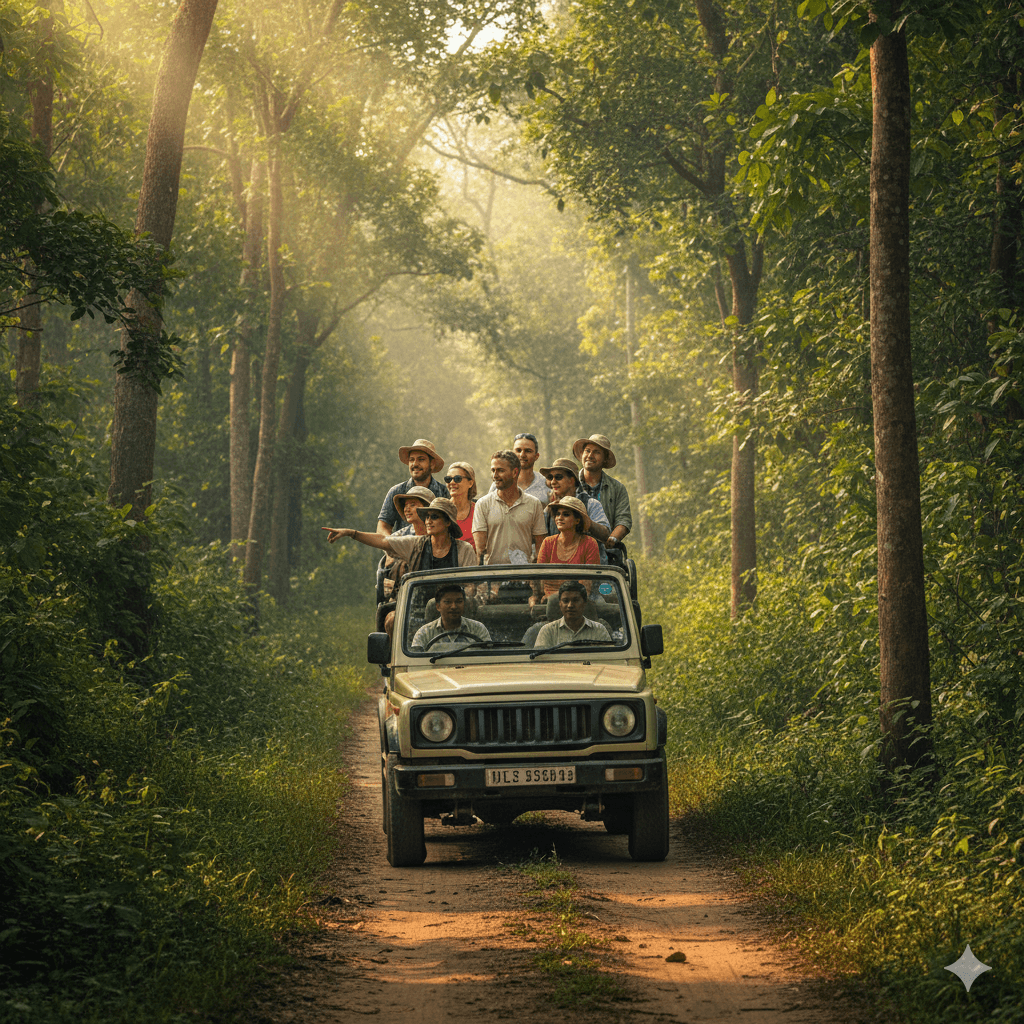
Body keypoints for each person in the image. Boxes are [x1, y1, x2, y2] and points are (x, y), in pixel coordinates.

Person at [326, 496, 476, 571]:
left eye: (435, 517)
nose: (429, 521)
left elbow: (471, 587)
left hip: (454, 609)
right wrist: (351, 533)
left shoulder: (464, 549)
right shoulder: (415, 544)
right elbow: (383, 541)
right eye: (427, 516)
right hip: (418, 611)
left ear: (448, 522)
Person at [472, 450, 546, 566]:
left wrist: (535, 580)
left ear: (515, 472)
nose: (495, 476)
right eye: (493, 470)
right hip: (493, 577)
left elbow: (540, 548)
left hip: (523, 577)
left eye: (500, 470)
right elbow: (480, 551)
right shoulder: (482, 504)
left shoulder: (534, 503)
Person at [533, 496, 601, 617]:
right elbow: (540, 579)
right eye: (557, 514)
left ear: (577, 520)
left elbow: (587, 584)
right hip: (549, 601)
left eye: (566, 514)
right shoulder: (548, 543)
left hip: (579, 603)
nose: (559, 518)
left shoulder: (590, 543)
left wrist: (566, 599)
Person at [538, 458, 610, 560]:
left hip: (591, 569)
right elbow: (541, 540)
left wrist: (587, 523)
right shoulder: (549, 510)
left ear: (571, 480)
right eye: (550, 477)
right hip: (557, 570)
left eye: (558, 477)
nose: (553, 482)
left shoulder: (590, 504)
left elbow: (606, 535)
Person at [571, 434, 632, 551]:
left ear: (605, 458)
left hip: (605, 549)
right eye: (587, 451)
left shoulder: (617, 488)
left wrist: (612, 539)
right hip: (572, 548)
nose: (590, 455)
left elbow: (624, 520)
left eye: (596, 452)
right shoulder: (570, 482)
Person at [376, 438, 448, 537]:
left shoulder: (444, 493)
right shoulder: (396, 491)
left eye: (421, 459)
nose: (415, 464)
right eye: (411, 460)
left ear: (432, 464)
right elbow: (383, 527)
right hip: (403, 549)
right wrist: (393, 546)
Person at [533, 580, 612, 648]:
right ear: (560, 604)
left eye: (576, 600)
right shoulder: (548, 631)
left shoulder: (599, 630)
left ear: (584, 603)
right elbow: (541, 663)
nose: (570, 605)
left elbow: (609, 662)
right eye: (565, 601)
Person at [411, 584, 490, 650]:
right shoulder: (424, 633)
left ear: (464, 605)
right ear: (438, 606)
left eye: (459, 602)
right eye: (448, 602)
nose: (454, 606)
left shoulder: (478, 629)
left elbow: (489, 658)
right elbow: (415, 662)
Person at [487, 432, 549, 508]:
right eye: (518, 450)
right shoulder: (499, 483)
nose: (522, 455)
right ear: (512, 453)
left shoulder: (545, 485)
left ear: (536, 456)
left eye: (528, 451)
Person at [445, 461, 478, 548]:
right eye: (448, 479)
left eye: (457, 478)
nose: (452, 482)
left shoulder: (479, 511)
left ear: (470, 483)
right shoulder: (440, 510)